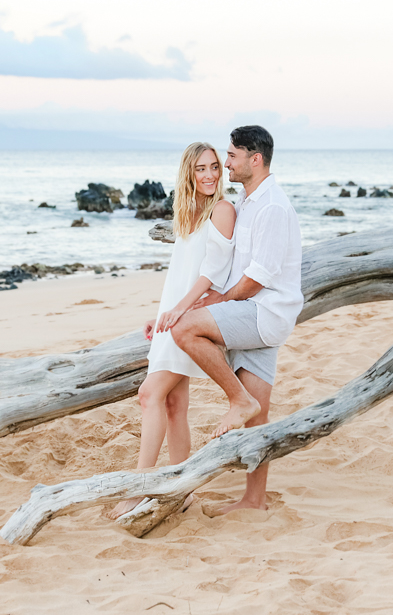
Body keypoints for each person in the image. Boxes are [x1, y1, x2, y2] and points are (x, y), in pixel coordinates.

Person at [171, 125, 302, 514]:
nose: (226, 163)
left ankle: (235, 398)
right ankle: (253, 499)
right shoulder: (248, 201)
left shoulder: (273, 207)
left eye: (231, 156)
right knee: (258, 418)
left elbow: (257, 277)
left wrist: (222, 300)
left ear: (254, 159)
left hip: (263, 313)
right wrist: (215, 294)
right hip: (258, 314)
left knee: (185, 329)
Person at [106, 141, 236, 520]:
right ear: (188, 174)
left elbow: (212, 272)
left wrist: (180, 310)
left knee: (150, 395)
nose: (211, 174)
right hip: (172, 316)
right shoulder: (188, 211)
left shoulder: (223, 210)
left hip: (190, 318)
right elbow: (181, 273)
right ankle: (184, 491)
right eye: (201, 169)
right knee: (175, 405)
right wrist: (160, 312)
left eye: (215, 166)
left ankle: (138, 489)